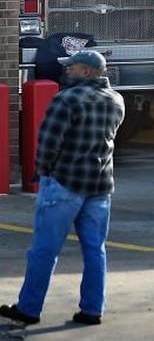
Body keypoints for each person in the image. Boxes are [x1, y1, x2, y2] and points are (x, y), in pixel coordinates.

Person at [1, 50, 125, 327]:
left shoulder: (66, 99)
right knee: (95, 249)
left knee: (44, 250)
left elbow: (47, 143)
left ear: (87, 72)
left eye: (72, 67)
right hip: (100, 185)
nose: (66, 71)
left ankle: (29, 309)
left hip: (64, 184)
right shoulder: (116, 100)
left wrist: (42, 172)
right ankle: (92, 310)